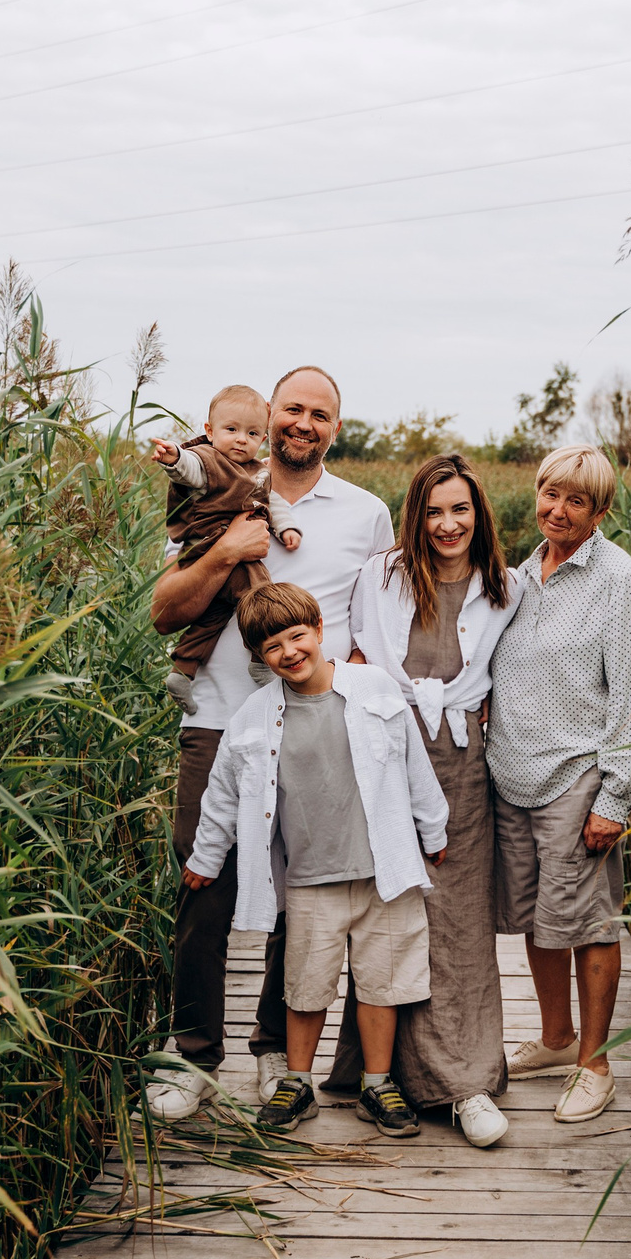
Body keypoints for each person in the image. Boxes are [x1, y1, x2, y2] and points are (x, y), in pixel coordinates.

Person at [148, 367, 391, 1120]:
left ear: (335, 428)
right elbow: (164, 610)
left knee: (303, 898)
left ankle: (273, 1052)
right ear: (269, 415)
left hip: (315, 727)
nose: (303, 423)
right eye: (293, 408)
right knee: (202, 884)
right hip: (217, 720)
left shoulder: (364, 513)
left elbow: (377, 629)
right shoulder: (214, 488)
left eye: (321, 414)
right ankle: (192, 1053)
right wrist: (226, 551)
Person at [183, 583, 450, 1135]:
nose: (288, 652)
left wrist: (433, 828)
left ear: (319, 629)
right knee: (305, 987)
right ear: (259, 657)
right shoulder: (255, 719)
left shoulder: (372, 688)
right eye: (272, 646)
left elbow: (413, 765)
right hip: (309, 878)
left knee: (383, 983)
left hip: (385, 874)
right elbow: (223, 795)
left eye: (296, 636)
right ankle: (296, 1083)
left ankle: (377, 1084)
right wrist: (206, 858)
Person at [345, 453, 525, 1148]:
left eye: (461, 509)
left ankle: (466, 1081)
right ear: (415, 513)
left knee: (457, 919)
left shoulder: (503, 587)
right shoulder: (380, 578)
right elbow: (357, 665)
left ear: (479, 513)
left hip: (460, 760)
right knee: (394, 910)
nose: (448, 524)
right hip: (389, 754)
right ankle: (388, 1074)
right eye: (434, 509)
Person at [487, 445, 631, 1124]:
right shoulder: (524, 573)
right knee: (535, 914)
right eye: (550, 493)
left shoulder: (617, 580)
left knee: (589, 922)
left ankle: (595, 1063)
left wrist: (616, 796)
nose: (557, 509)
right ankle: (556, 1038)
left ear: (600, 510)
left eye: (575, 500)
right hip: (513, 775)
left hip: (577, 779)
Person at [149, 383, 302, 710]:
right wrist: (173, 457)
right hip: (208, 546)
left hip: (220, 567)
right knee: (260, 594)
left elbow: (272, 502)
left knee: (214, 616)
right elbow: (189, 470)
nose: (240, 439)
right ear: (209, 430)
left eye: (251, 433)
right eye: (231, 429)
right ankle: (261, 657)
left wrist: (286, 527)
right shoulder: (209, 459)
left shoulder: (259, 472)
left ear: (263, 439)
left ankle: (183, 670)